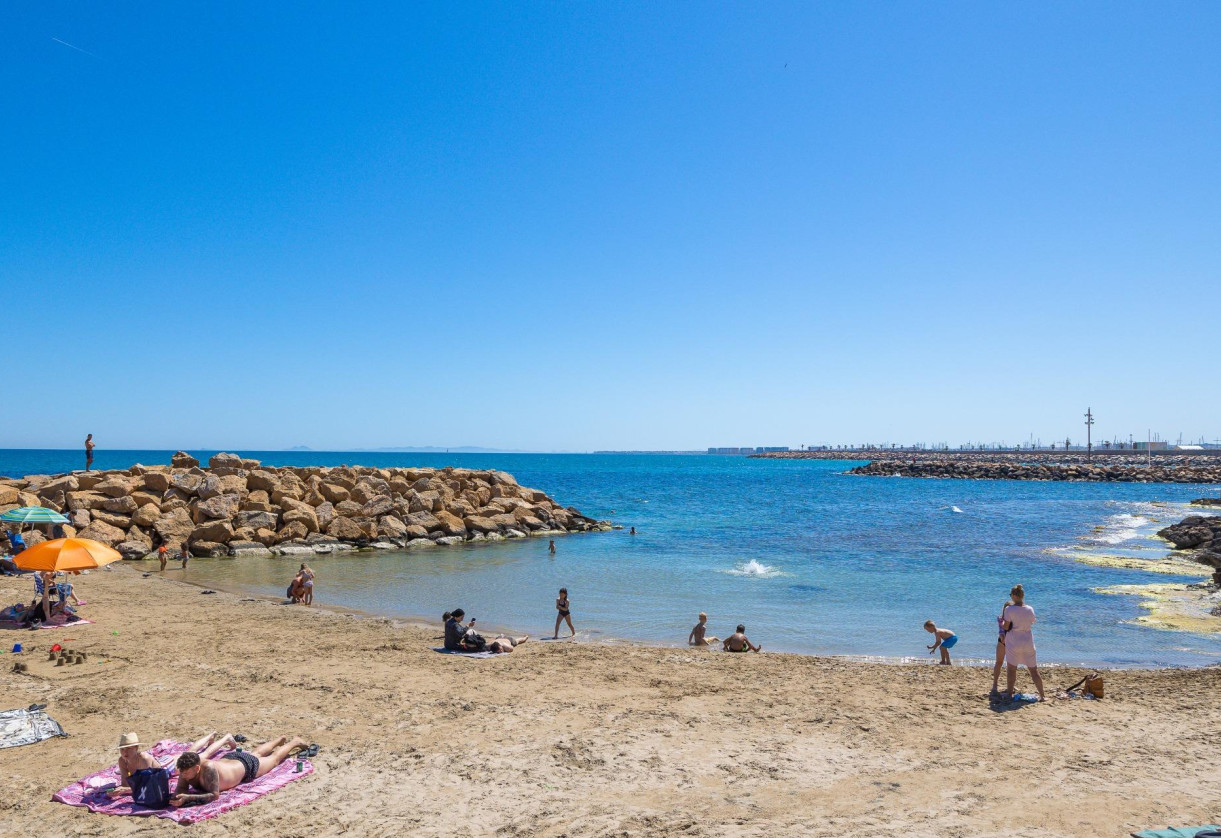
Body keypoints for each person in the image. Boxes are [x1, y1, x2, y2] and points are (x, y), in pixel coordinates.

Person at [171, 736, 311, 807]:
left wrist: (188, 798)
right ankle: (279, 740)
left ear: (197, 768)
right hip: (231, 760)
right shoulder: (186, 768)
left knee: (273, 759)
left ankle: (294, 742)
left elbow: (214, 795)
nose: (183, 776)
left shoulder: (209, 769)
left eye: (186, 773)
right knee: (255, 753)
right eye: (182, 772)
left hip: (246, 766)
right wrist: (176, 798)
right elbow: (181, 788)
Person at [108, 732, 236, 799]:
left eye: (128, 749)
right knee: (190, 751)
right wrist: (119, 791)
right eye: (123, 749)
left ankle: (226, 738)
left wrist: (126, 789)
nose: (125, 752)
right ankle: (210, 736)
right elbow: (125, 784)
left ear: (136, 748)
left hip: (168, 767)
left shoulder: (144, 759)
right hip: (162, 761)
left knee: (201, 755)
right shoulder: (122, 761)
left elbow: (150, 784)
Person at [1002, 584, 1045, 701]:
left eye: (1011, 595)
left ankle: (1009, 693)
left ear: (1015, 596)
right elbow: (1032, 622)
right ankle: (1042, 695)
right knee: (1033, 670)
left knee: (1011, 669)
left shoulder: (1008, 609)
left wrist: (1003, 624)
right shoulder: (1029, 609)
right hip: (1027, 640)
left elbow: (1006, 626)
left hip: (1014, 640)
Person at [991, 596, 1014, 694]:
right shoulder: (1001, 618)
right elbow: (1001, 631)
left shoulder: (1016, 620)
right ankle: (995, 684)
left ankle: (1010, 686)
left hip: (1013, 643)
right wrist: (1002, 638)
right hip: (1002, 642)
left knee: (1011, 666)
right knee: (999, 663)